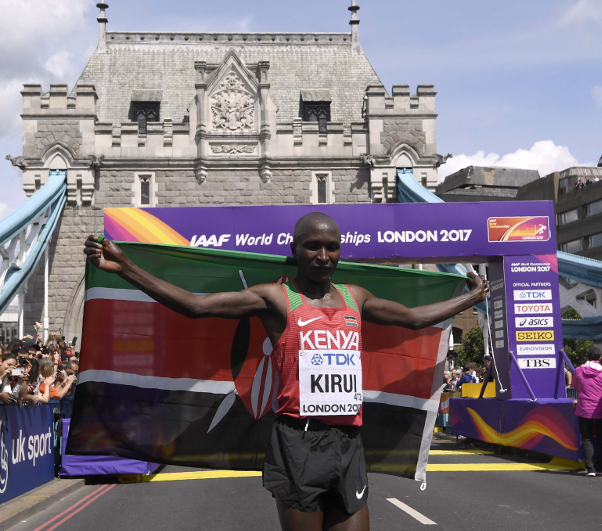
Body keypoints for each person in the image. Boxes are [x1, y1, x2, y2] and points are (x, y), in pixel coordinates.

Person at [84, 212, 488, 531]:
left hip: (347, 442)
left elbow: (415, 319)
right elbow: (196, 305)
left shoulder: (356, 298)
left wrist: (472, 296)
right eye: (313, 247)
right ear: (294, 249)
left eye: (332, 247)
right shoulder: (277, 298)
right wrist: (126, 269)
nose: (323, 256)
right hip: (298, 441)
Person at [573, 347, 602, 476]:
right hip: (600, 408)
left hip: (583, 409)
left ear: (587, 357)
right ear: (599, 358)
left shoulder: (579, 370)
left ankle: (590, 469)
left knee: (587, 439)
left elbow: (576, 386)